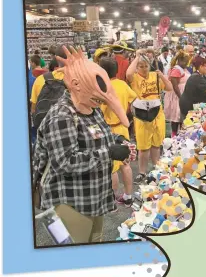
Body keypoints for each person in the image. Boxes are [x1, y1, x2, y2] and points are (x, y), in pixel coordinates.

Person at [33, 46, 135, 243]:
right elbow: (64, 162)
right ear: (76, 84)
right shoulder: (61, 116)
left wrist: (117, 140)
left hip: (93, 198)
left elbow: (98, 135)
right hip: (71, 203)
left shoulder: (91, 108)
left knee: (93, 242)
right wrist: (108, 153)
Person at [126, 50, 173, 183]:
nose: (144, 69)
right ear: (137, 67)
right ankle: (142, 172)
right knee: (143, 147)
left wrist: (162, 76)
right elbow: (128, 73)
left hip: (157, 114)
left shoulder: (155, 75)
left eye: (146, 66)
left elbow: (169, 88)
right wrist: (137, 57)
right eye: (141, 66)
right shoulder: (134, 78)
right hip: (142, 116)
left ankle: (156, 169)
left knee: (157, 144)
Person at [99, 58, 137, 207]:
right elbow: (134, 99)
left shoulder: (102, 87)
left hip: (108, 130)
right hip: (123, 128)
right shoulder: (122, 84)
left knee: (112, 168)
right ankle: (128, 196)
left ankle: (112, 201)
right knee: (125, 164)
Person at [163, 50, 191, 137]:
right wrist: (181, 97)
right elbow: (175, 86)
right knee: (176, 116)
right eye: (185, 62)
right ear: (179, 61)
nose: (186, 64)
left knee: (180, 116)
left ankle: (180, 133)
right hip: (177, 95)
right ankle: (174, 135)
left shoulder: (182, 69)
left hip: (182, 93)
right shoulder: (176, 70)